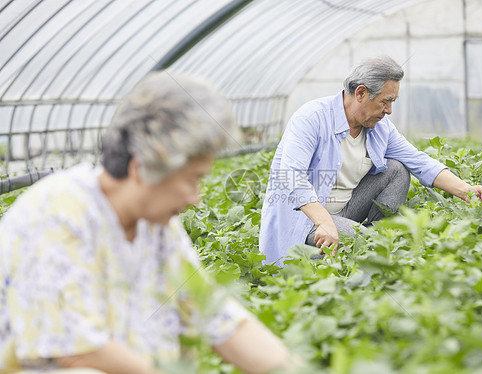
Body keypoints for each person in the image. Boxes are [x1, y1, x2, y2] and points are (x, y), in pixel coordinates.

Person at [0, 72, 296, 374]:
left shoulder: (156, 227)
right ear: (143, 167)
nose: (197, 197)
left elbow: (214, 314)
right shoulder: (57, 214)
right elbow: (76, 352)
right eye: (193, 179)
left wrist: (294, 370)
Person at [259, 56, 482, 265]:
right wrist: (324, 222)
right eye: (385, 101)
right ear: (361, 93)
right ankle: (358, 242)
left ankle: (369, 235)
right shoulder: (311, 118)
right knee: (363, 242)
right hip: (305, 218)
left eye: (393, 102)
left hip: (344, 211)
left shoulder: (380, 127)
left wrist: (466, 190)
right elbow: (292, 178)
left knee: (396, 169)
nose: (389, 110)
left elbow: (418, 161)